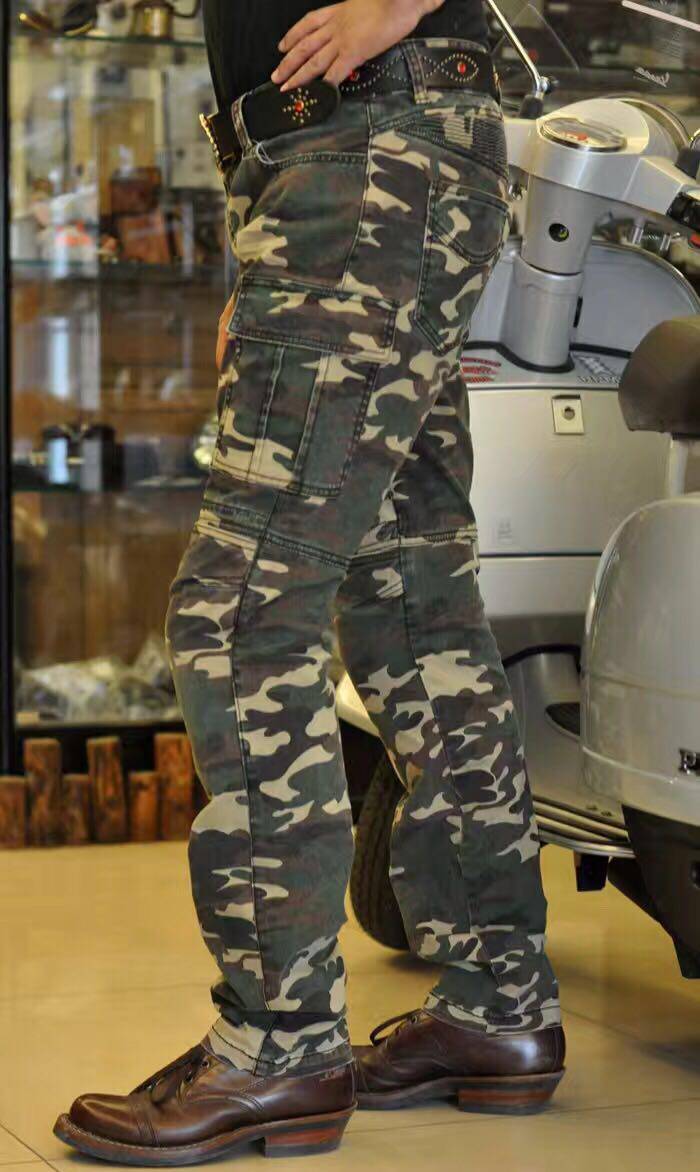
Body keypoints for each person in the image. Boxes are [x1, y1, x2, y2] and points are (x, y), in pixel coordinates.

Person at [55, 0, 564, 1162]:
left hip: (367, 149)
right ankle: (499, 1006)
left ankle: (279, 1045)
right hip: (358, 158)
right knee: (412, 608)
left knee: (239, 615)